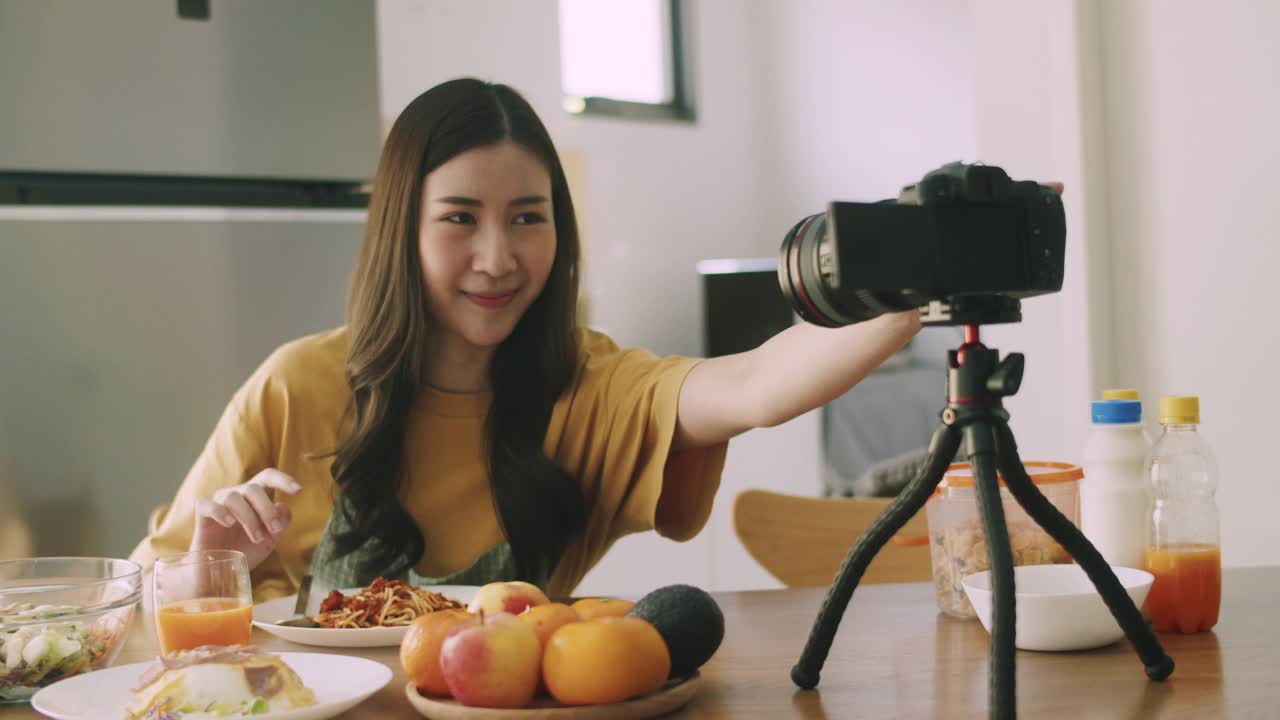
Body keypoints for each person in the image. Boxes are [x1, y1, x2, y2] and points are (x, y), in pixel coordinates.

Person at [129, 78, 921, 601]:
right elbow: (138, 609)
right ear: (400, 228)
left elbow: (752, 385)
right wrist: (206, 566)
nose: (497, 258)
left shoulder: (588, 385)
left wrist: (914, 286)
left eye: (528, 219)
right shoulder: (297, 386)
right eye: (460, 218)